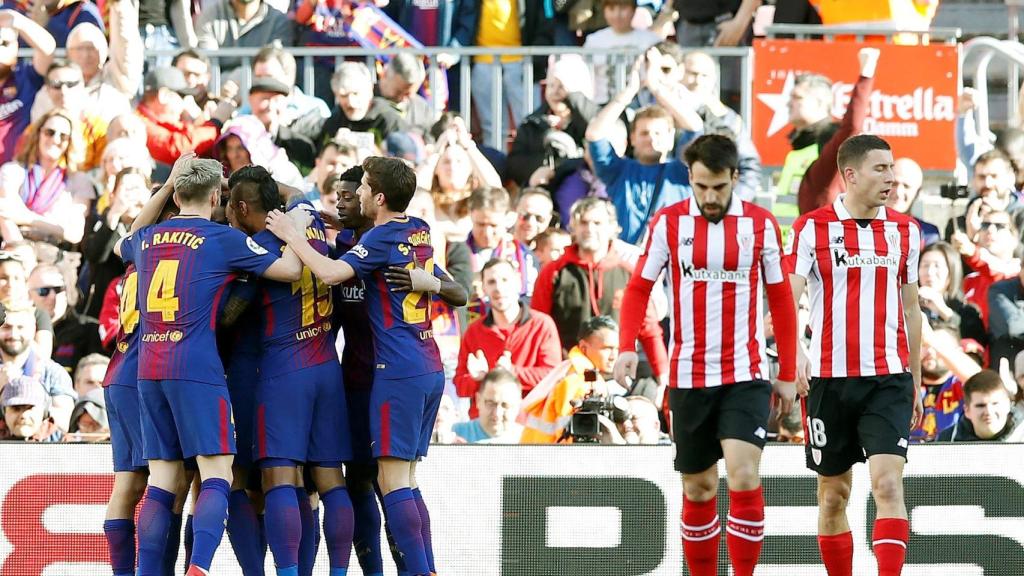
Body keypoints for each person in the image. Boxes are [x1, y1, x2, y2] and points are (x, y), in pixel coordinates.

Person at [264, 156, 468, 576]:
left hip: (393, 372)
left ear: (374, 197)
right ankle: (409, 568)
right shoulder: (417, 230)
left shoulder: (376, 242)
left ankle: (418, 569)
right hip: (401, 369)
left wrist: (291, 234)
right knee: (388, 481)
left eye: (352, 192)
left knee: (389, 483)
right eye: (338, 195)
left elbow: (335, 272)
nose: (344, 200)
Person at [112, 153, 306, 576]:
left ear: (176, 193)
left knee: (163, 480)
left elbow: (124, 238)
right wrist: (295, 229)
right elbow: (291, 269)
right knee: (217, 473)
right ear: (217, 194)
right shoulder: (223, 239)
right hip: (197, 368)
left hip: (150, 368)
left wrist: (165, 186)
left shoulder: (146, 239)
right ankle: (199, 566)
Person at [613, 134, 797, 576]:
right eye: (701, 187)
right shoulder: (669, 223)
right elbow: (639, 287)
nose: (709, 197)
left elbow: (782, 300)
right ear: (690, 180)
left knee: (743, 474)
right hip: (689, 375)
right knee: (698, 488)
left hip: (745, 373)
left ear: (735, 177)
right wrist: (625, 348)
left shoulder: (759, 225)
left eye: (718, 186)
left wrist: (787, 370)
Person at [787, 134, 923, 576]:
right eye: (881, 168)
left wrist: (917, 380)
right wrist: (796, 354)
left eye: (892, 167)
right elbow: (788, 299)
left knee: (887, 484)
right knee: (833, 495)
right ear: (851, 174)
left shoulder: (906, 231)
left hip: (888, 378)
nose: (892, 177)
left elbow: (910, 307)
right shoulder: (812, 228)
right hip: (829, 378)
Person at [225, 165, 355, 576]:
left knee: (278, 477)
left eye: (231, 204)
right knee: (329, 480)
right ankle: (336, 571)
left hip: (282, 368)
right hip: (325, 363)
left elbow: (228, 316)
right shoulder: (311, 224)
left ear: (243, 207)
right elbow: (296, 191)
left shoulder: (262, 245)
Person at [532, 197, 669, 373]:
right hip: (568, 373)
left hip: (618, 372)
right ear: (573, 227)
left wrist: (662, 372)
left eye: (597, 223)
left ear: (612, 227)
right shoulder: (553, 272)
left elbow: (649, 329)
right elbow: (539, 326)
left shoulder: (627, 273)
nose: (589, 229)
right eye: (583, 223)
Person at [584, 60, 691, 245]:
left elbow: (695, 127)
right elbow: (594, 134)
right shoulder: (618, 170)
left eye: (658, 133)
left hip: (673, 261)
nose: (651, 138)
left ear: (671, 136)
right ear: (632, 138)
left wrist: (657, 88)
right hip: (627, 264)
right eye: (644, 133)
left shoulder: (683, 170)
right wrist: (629, 92)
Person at [454, 258, 561, 410]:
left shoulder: (542, 325)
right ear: (483, 288)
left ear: (518, 282)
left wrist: (511, 371)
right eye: (491, 282)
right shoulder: (474, 332)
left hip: (530, 422)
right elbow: (460, 385)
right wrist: (479, 378)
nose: (498, 288)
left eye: (505, 280)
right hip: (485, 425)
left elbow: (553, 375)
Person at [519, 315, 621, 443]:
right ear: (584, 347)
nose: (613, 356)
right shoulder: (579, 380)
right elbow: (569, 434)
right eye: (607, 348)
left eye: (617, 349)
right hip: (551, 456)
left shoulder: (571, 370)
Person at [0, 107, 90, 244]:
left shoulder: (79, 181)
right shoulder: (13, 170)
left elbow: (74, 233)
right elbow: (4, 214)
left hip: (55, 255)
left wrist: (26, 218)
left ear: (70, 142)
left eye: (63, 136)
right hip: (16, 249)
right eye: (50, 132)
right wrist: (21, 250)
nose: (55, 140)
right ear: (38, 134)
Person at [0, 302, 76, 430]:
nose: (13, 334)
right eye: (6, 327)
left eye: (20, 327)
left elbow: (66, 423)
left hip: (43, 448)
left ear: (33, 329)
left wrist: (32, 401)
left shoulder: (52, 372)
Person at [0, 9, 56, 164]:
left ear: (17, 47)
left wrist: (16, 20)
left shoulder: (26, 77)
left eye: (4, 43)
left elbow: (48, 49)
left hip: (18, 174)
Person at [27, 263, 103, 374]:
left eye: (58, 289)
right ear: (28, 295)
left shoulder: (90, 329)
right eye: (43, 291)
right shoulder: (18, 330)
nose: (53, 296)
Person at [194, 0, 294, 77]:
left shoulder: (278, 20)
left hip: (262, 90)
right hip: (219, 91)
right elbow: (207, 64)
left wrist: (241, 81)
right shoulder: (209, 16)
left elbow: (276, 66)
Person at [939, 369, 1024, 442]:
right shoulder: (948, 439)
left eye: (995, 403)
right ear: (967, 411)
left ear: (1008, 405)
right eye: (980, 406)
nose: (988, 411)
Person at [453, 368, 524, 443]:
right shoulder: (455, 435)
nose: (497, 413)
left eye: (505, 405)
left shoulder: (529, 439)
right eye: (490, 404)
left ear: (518, 406)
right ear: (478, 401)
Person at [886, 157, 940, 246]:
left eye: (906, 186)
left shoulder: (928, 234)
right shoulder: (862, 228)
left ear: (918, 192)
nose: (898, 192)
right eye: (894, 184)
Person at [1, 374, 64, 441]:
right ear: (3, 412)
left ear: (44, 413)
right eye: (16, 408)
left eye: (30, 408)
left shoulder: (66, 443)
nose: (23, 415)